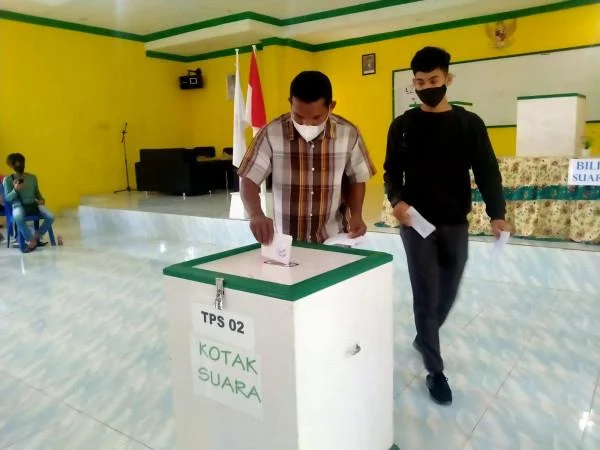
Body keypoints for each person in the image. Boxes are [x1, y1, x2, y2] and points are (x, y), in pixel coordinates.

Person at [383, 47, 506, 405]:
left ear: (448, 79)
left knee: (448, 292)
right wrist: (396, 201)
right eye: (420, 82)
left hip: (455, 222)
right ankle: (435, 370)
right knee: (426, 292)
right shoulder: (403, 126)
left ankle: (425, 335)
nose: (427, 87)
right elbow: (391, 173)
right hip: (416, 224)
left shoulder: (469, 124)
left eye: (433, 80)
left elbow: (487, 171)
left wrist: (497, 213)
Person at [238, 71, 376, 244]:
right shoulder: (271, 133)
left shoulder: (348, 133)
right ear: (290, 103)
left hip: (333, 239)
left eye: (316, 117)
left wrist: (356, 214)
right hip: (287, 242)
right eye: (298, 116)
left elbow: (357, 179)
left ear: (331, 106)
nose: (306, 124)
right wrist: (256, 214)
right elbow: (248, 178)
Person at [3, 153, 55, 252]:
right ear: (11, 166)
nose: (19, 165)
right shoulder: (8, 180)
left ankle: (36, 236)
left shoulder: (32, 177)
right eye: (16, 163)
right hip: (18, 205)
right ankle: (31, 240)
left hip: (34, 205)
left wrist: (41, 199)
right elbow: (8, 198)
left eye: (21, 162)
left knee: (51, 216)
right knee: (18, 217)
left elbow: (37, 192)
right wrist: (15, 190)